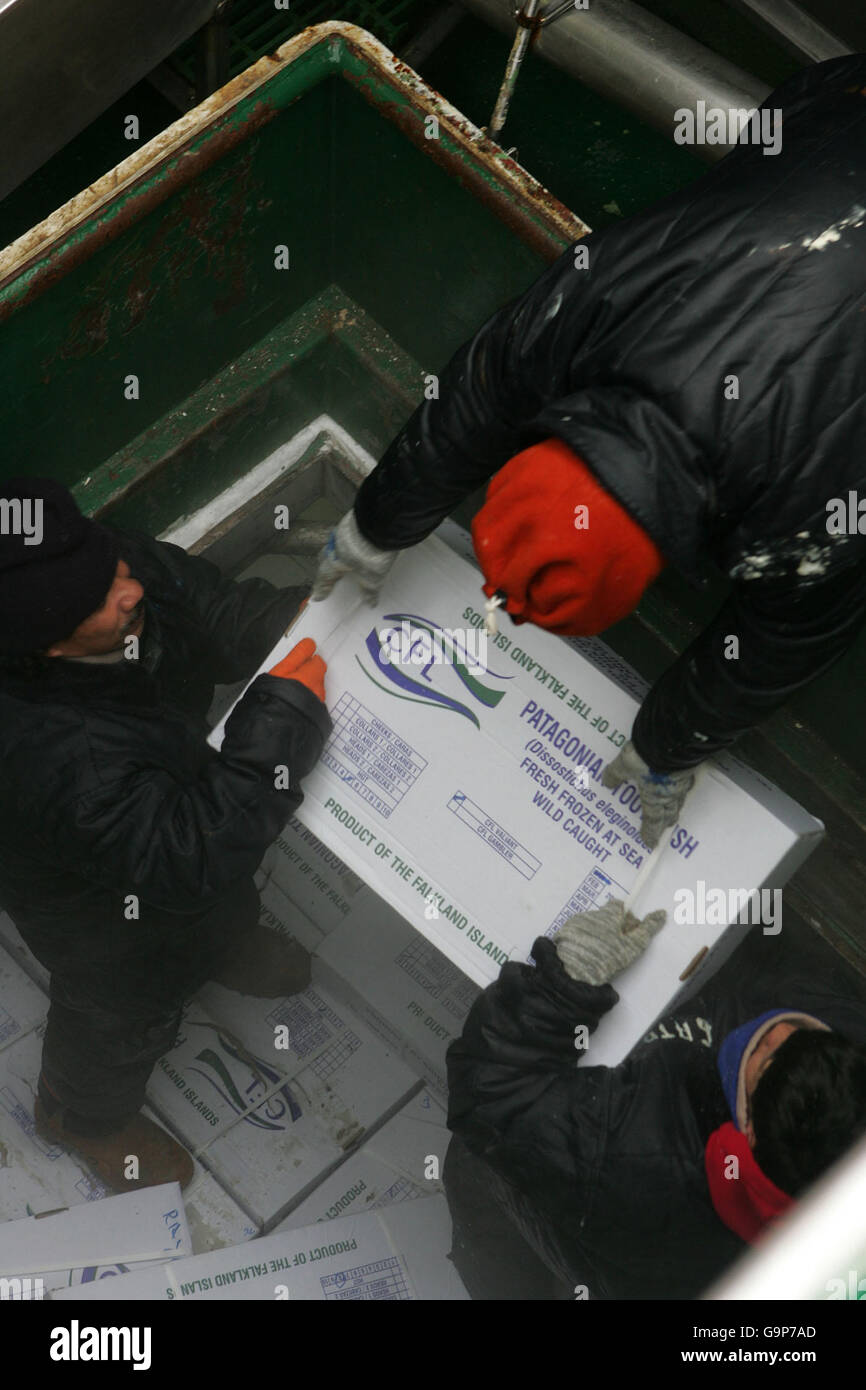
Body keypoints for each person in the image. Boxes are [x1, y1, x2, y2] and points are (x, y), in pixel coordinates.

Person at [311, 53, 866, 851]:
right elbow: (486, 384)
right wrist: (377, 522)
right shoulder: (601, 287)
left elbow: (785, 642)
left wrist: (666, 750)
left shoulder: (807, 513)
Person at [0, 476, 331, 1192]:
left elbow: (213, 609)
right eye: (99, 597)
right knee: (118, 1022)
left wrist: (296, 626)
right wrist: (282, 723)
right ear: (47, 649)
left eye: (105, 557)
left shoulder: (108, 569)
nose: (127, 586)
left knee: (220, 911)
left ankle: (221, 946)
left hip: (181, 826)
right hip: (108, 930)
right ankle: (80, 1116)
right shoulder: (52, 761)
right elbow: (190, 854)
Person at [443, 899, 866, 1299]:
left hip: (631, 1235)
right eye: (803, 1032)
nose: (770, 1032)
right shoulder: (844, 1030)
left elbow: (490, 1091)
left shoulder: (647, 1168)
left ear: (748, 1135)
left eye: (761, 1057)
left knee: (475, 1161)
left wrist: (563, 986)